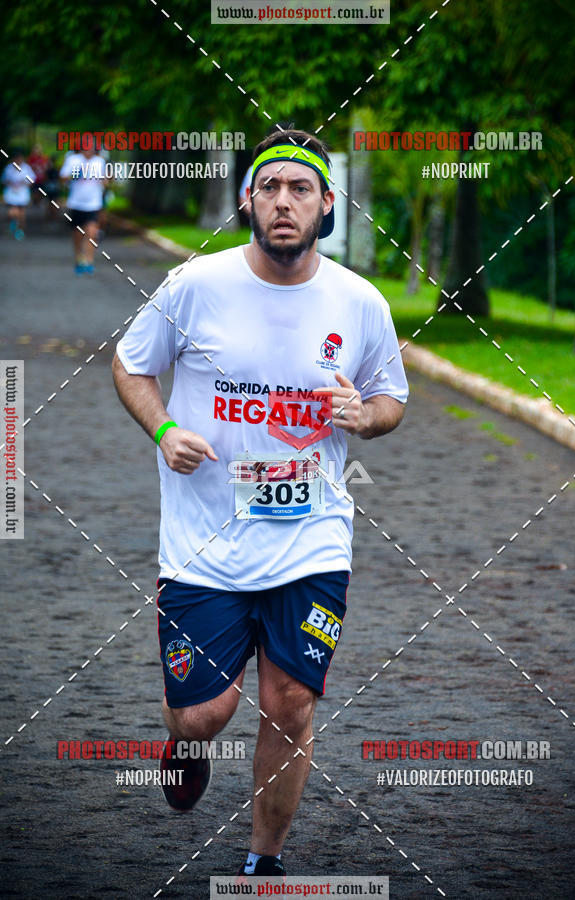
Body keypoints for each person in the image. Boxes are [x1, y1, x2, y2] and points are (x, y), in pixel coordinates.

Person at [112, 128, 408, 877]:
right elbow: (130, 364)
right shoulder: (195, 285)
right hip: (203, 542)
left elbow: (391, 399)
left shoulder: (359, 301)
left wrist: (364, 416)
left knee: (292, 704)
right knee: (204, 714)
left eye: (300, 189)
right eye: (270, 187)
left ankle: (262, 864)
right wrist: (165, 428)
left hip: (311, 538)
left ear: (327, 205)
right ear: (248, 198)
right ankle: (183, 740)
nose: (284, 202)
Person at [59, 144, 106, 274]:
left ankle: (89, 261)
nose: (89, 150)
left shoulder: (99, 161)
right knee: (78, 235)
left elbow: (106, 180)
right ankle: (79, 258)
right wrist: (74, 174)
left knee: (92, 233)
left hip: (93, 204)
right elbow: (63, 177)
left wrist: (107, 179)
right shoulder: (73, 160)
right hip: (76, 204)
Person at [2, 149, 36, 240]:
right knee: (13, 212)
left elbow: (32, 180)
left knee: (22, 213)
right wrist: (10, 183)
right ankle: (14, 222)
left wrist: (23, 183)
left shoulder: (26, 168)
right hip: (12, 193)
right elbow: (4, 180)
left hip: (22, 193)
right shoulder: (9, 168)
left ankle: (20, 230)